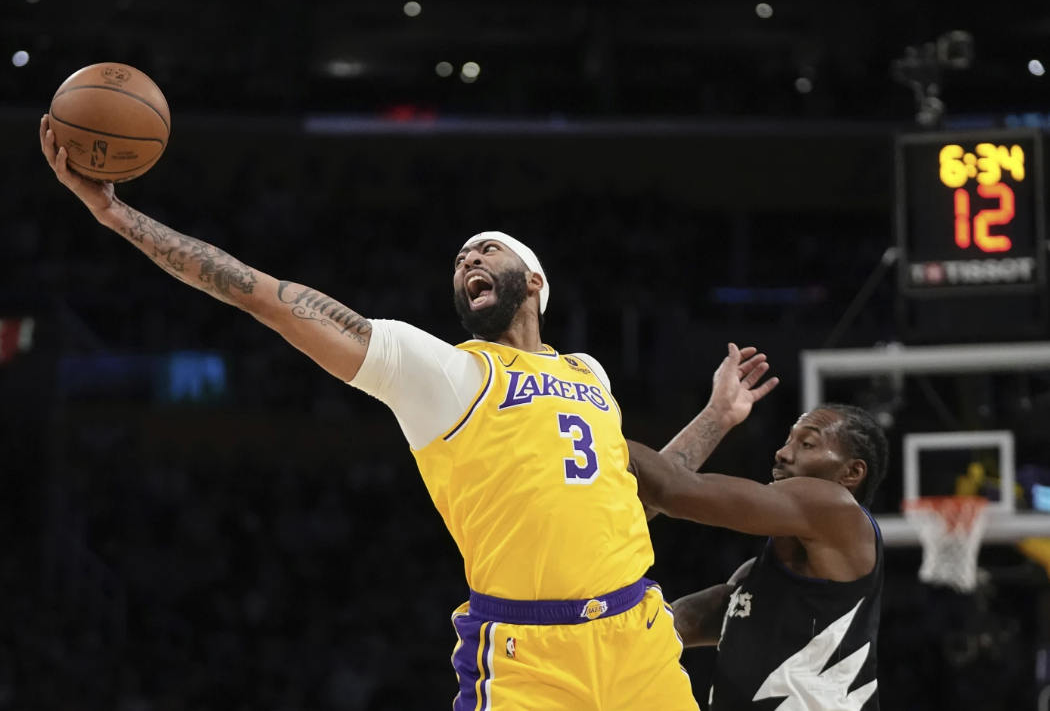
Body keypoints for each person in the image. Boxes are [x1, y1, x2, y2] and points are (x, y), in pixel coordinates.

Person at [40, 117, 779, 710]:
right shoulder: (444, 371)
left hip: (638, 637)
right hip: (527, 659)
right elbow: (259, 292)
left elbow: (642, 498)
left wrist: (718, 412)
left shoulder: (588, 373)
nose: (467, 261)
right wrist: (116, 215)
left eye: (485, 249)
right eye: (459, 259)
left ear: (536, 280)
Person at [626, 350, 888, 711]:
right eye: (789, 440)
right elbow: (717, 612)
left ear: (851, 473)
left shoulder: (836, 507)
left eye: (807, 444)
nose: (782, 453)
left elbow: (676, 491)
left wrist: (587, 428)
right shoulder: (762, 576)